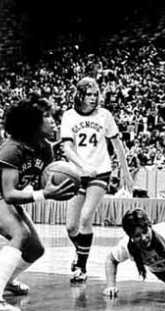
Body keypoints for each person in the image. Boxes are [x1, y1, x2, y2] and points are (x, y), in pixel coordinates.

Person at [0, 96, 76, 311]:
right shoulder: (13, 148)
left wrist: (58, 187)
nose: (54, 121)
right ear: (31, 122)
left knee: (36, 249)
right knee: (19, 234)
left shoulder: (46, 150)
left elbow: (30, 186)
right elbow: (9, 193)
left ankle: (8, 280)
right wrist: (44, 194)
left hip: (3, 195)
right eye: (46, 116)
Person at [61, 77, 133, 283]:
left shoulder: (105, 115)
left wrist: (125, 172)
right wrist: (82, 166)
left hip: (100, 173)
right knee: (71, 227)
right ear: (80, 96)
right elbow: (66, 148)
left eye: (95, 94)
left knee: (85, 218)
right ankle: (80, 253)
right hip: (78, 173)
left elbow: (118, 145)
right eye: (89, 95)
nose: (93, 98)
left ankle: (81, 268)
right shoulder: (69, 116)